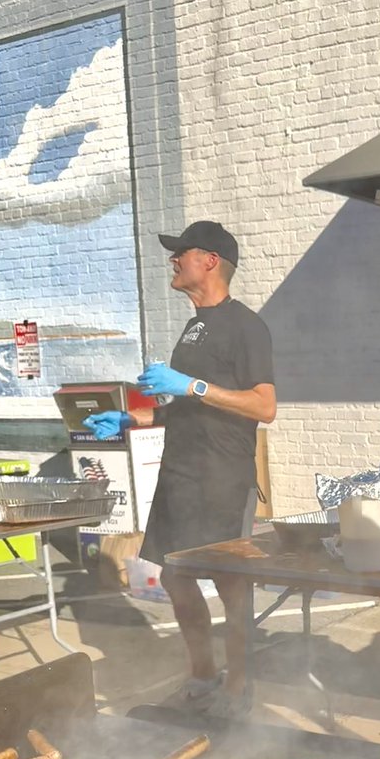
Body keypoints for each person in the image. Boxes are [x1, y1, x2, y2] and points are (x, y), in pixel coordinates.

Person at [84, 220, 276, 721]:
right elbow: (186, 408)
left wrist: (188, 385)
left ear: (210, 261)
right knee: (175, 577)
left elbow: (263, 407)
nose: (173, 260)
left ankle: (239, 684)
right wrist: (130, 417)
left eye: (181, 253)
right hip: (180, 476)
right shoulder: (193, 327)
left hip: (222, 480)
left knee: (233, 585)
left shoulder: (246, 326)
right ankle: (201, 674)